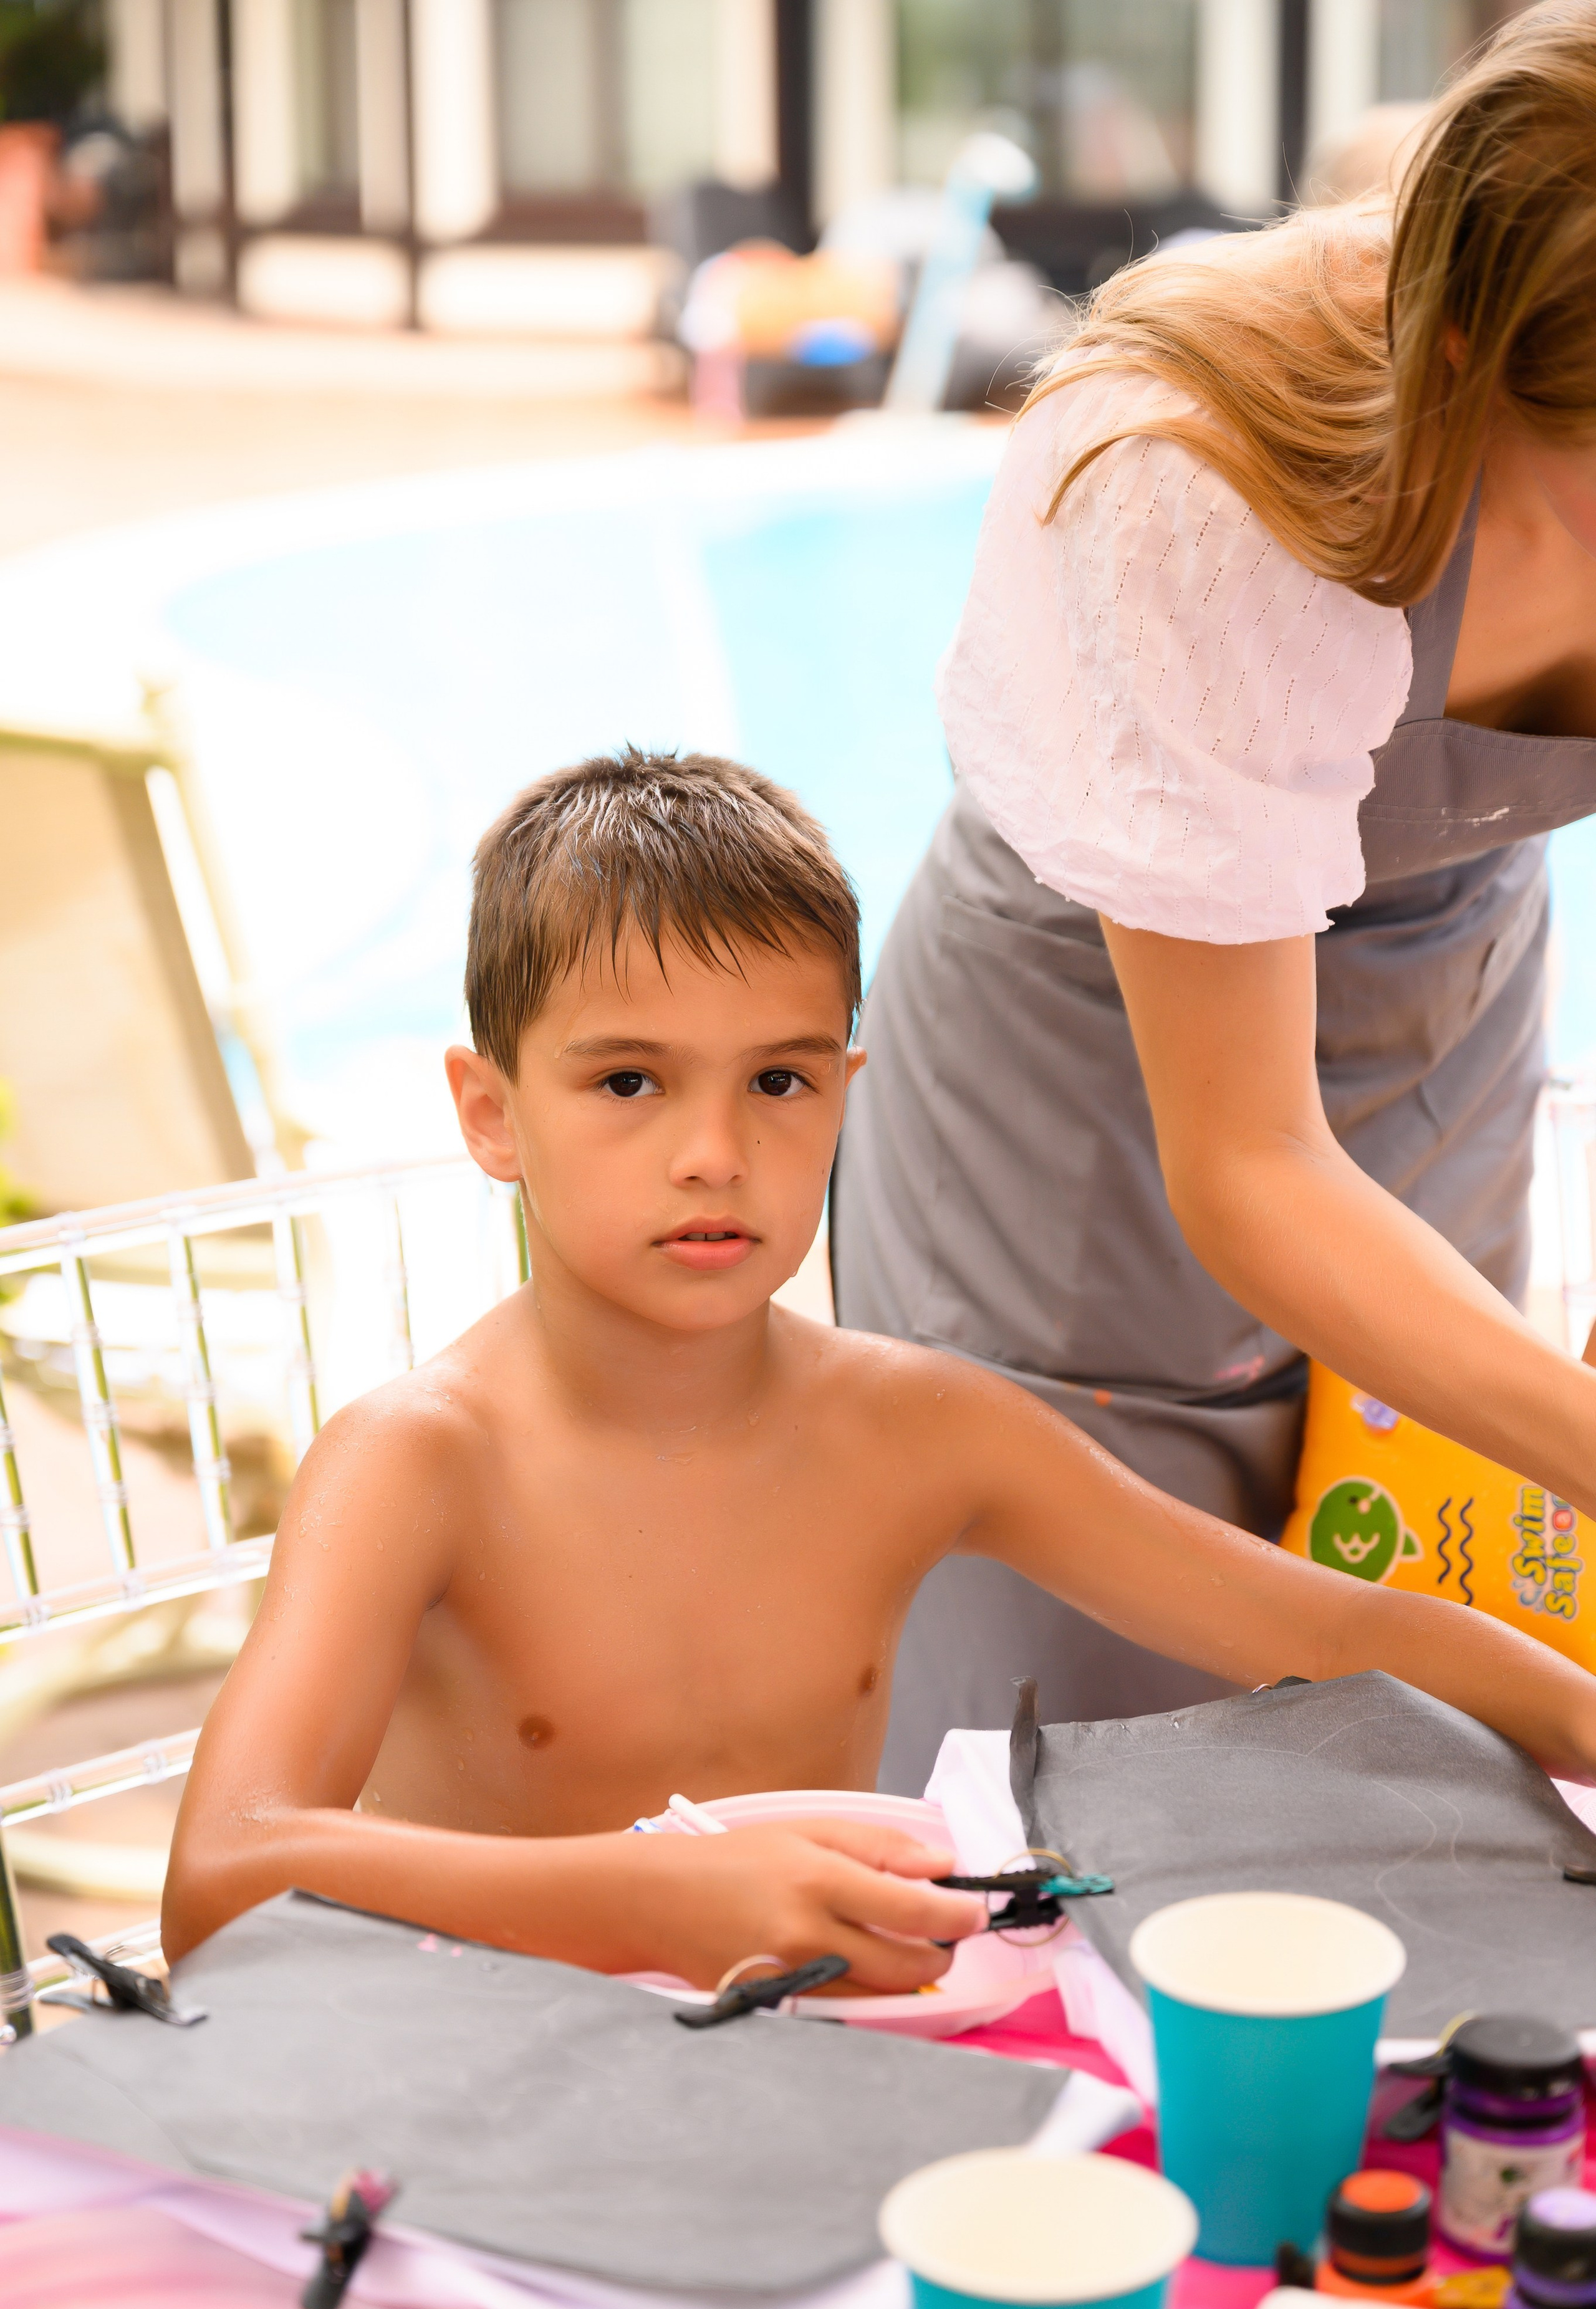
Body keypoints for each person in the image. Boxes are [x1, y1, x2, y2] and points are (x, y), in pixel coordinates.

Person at [165, 751, 1596, 1989]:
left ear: (849, 1096)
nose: (713, 1150)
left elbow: (1327, 1628)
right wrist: (650, 1893)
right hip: (492, 2080)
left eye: (776, 1081)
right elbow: (220, 1878)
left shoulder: (921, 1427)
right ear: (490, 1110)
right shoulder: (420, 1461)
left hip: (830, 2048)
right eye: (626, 1082)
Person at [832, 1, 1596, 1795]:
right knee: (1075, 1762)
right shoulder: (1195, 471)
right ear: (1475, 367)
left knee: (1411, 1705)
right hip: (1082, 1093)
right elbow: (1247, 1158)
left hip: (1438, 1015)